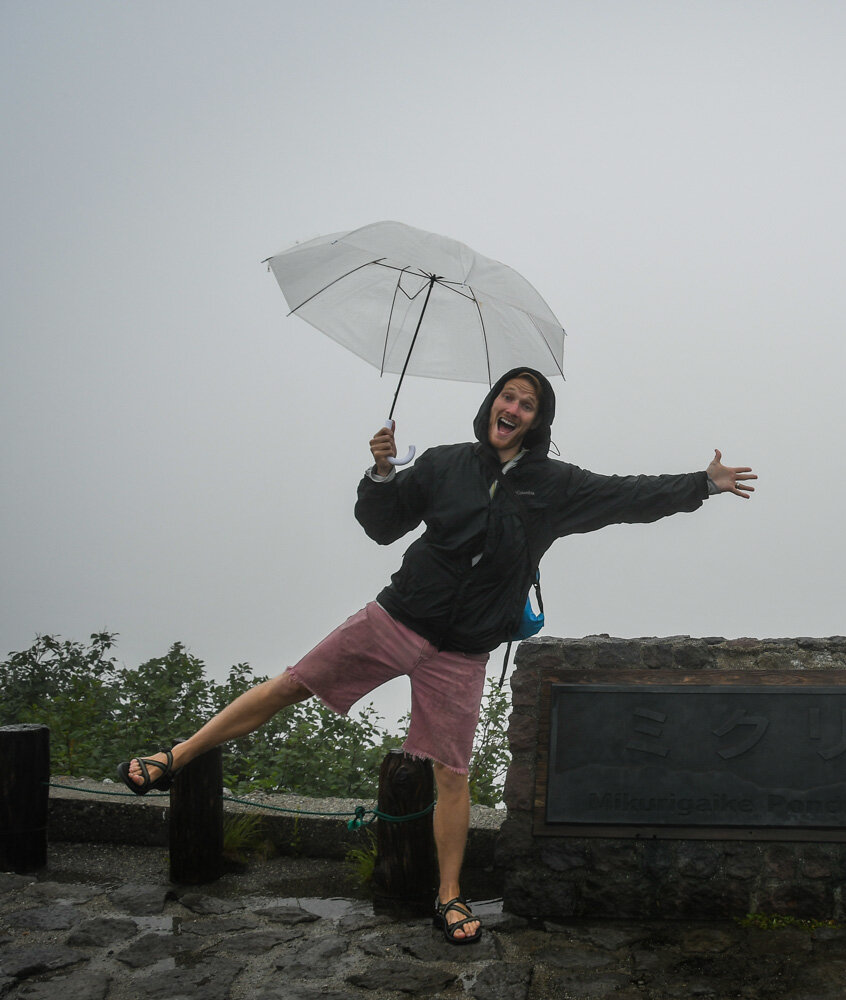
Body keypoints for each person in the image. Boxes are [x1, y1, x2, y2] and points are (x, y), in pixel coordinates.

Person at [116, 366, 756, 945]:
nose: (513, 408)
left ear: (539, 422)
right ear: (490, 404)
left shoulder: (554, 485)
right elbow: (382, 523)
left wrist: (703, 483)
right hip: (396, 617)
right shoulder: (446, 463)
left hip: (463, 650)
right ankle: (175, 758)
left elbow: (628, 496)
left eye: (527, 404)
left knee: (452, 772)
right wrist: (382, 473)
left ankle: (449, 895)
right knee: (292, 684)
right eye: (508, 396)